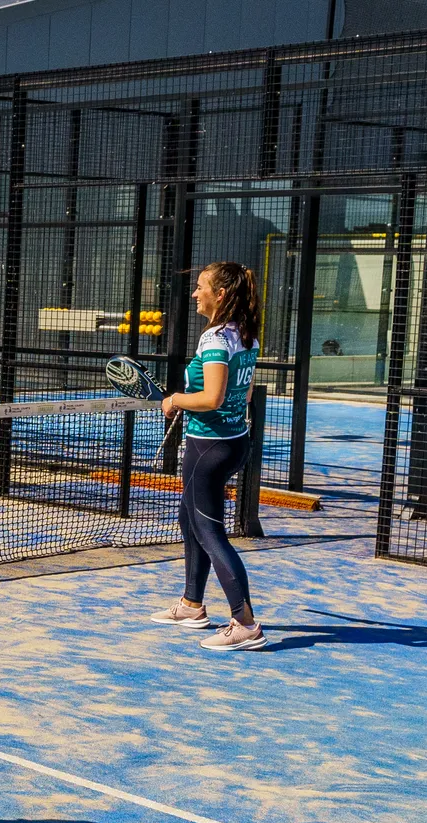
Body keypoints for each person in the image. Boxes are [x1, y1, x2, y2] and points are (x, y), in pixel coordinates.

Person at [150, 261, 265, 650]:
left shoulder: (215, 338)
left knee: (209, 531)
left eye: (201, 287)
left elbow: (212, 397)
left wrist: (175, 400)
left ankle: (245, 623)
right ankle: (191, 605)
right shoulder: (246, 336)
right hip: (234, 442)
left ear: (221, 295)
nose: (195, 293)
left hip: (209, 448)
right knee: (190, 520)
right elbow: (243, 394)